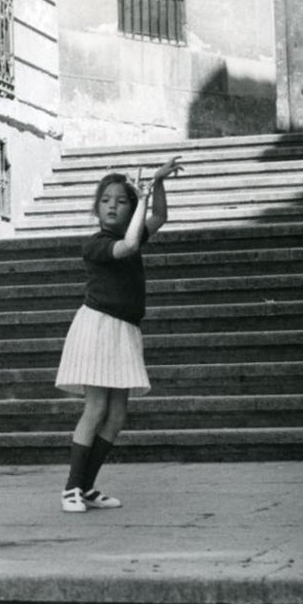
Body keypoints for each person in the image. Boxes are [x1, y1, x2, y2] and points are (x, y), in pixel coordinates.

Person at [55, 157, 182, 513]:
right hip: (98, 327)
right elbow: (126, 247)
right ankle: (70, 489)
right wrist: (140, 197)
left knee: (117, 416)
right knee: (96, 408)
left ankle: (87, 486)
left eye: (121, 200)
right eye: (106, 199)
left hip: (124, 330)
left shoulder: (133, 231)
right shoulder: (96, 243)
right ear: (96, 207)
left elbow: (159, 217)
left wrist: (156, 183)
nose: (112, 205)